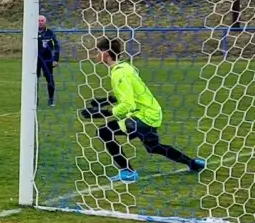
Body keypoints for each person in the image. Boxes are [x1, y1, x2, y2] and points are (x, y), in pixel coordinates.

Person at [82, 38, 206, 183]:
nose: (96, 55)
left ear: (106, 54)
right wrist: (104, 101)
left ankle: (128, 172)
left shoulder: (118, 73)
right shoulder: (125, 67)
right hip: (152, 111)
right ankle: (193, 164)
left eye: (97, 52)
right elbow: (131, 93)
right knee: (153, 147)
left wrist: (101, 113)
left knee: (105, 132)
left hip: (143, 115)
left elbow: (128, 104)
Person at [37, 15, 59, 106]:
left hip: (47, 59)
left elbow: (56, 46)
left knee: (49, 79)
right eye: (38, 21)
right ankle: (35, 99)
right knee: (34, 79)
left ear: (45, 22)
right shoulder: (31, 32)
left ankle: (51, 99)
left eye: (42, 21)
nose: (40, 22)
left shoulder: (50, 33)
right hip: (35, 59)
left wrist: (55, 59)